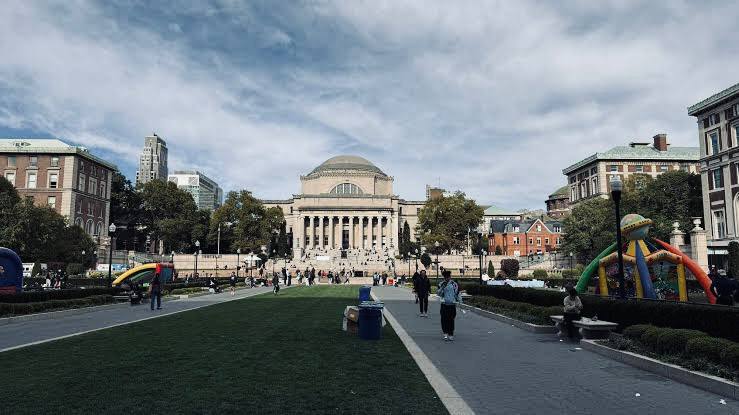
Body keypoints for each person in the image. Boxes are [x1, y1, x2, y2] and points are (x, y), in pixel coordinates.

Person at [437, 270, 460, 341]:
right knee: (444, 319)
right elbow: (438, 294)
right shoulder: (441, 284)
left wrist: (459, 301)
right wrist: (442, 288)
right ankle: (445, 333)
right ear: (444, 277)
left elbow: (457, 293)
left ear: (450, 277)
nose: (447, 278)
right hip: (444, 304)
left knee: (451, 319)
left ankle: (451, 333)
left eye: (448, 277)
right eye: (445, 277)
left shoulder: (454, 284)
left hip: (452, 304)